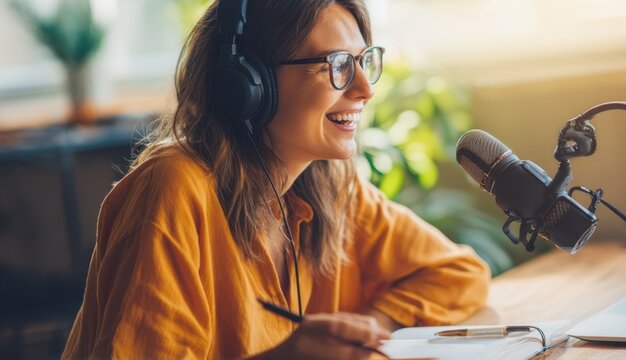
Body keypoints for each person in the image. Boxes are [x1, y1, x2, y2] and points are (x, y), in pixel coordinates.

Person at [62, 0, 490, 358]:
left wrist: (372, 326)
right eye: (338, 64)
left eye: (364, 62)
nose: (365, 89)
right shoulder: (172, 190)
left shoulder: (332, 188)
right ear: (248, 85)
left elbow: (460, 273)